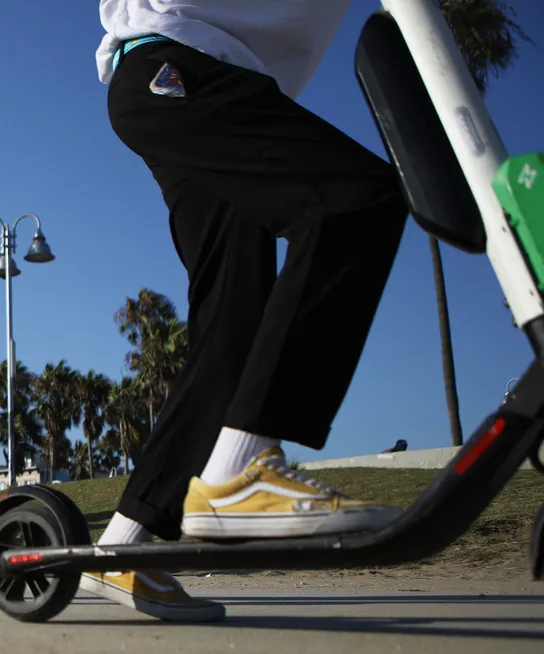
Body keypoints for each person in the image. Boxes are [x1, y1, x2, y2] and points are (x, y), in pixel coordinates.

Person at [85, 0, 408, 621]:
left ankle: (124, 544)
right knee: (353, 203)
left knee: (233, 318)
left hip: (194, 81)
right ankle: (241, 471)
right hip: (177, 65)